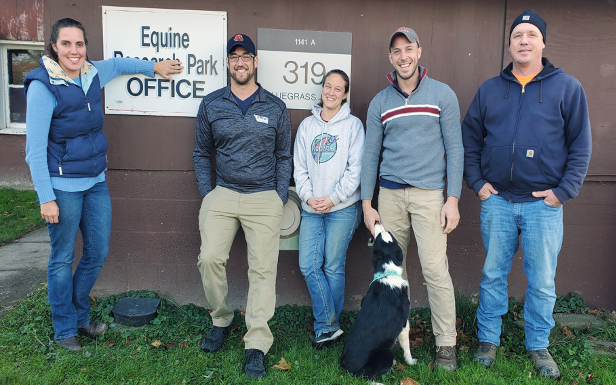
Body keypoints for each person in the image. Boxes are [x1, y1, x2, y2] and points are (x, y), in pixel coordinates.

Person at [23, 18, 182, 352]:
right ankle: (65, 326)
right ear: (54, 46)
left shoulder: (91, 72)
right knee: (63, 257)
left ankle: (80, 316)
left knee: (97, 252)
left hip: (95, 181)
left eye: (79, 44)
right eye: (66, 44)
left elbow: (121, 64)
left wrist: (154, 67)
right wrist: (45, 197)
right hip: (62, 185)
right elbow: (34, 150)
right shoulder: (43, 86)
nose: (74, 51)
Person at [462, 10, 591, 379]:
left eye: (531, 34)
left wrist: (562, 192)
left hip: (543, 206)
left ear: (542, 42)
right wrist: (477, 182)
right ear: (510, 43)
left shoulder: (567, 88)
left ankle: (538, 344)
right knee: (492, 274)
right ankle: (488, 339)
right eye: (518, 34)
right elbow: (470, 138)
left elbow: (581, 144)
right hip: (498, 201)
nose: (524, 40)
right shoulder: (490, 89)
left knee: (542, 280)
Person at [361, 27, 464, 372]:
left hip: (430, 196)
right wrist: (366, 202)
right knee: (391, 274)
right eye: (396, 51)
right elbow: (370, 154)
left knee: (435, 270)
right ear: (390, 58)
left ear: (419, 52)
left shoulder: (442, 95)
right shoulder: (380, 102)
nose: (403, 56)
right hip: (389, 196)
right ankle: (389, 340)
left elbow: (455, 149)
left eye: (409, 49)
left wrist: (452, 198)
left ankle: (446, 345)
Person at [193, 33, 291, 380]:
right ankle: (221, 318)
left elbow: (283, 155)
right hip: (223, 192)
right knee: (209, 259)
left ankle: (257, 343)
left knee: (262, 269)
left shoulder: (275, 106)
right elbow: (202, 153)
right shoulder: (212, 104)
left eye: (245, 56)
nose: (240, 62)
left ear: (255, 62)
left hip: (264, 195)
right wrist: (208, 193)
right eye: (234, 57)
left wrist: (279, 194)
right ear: (227, 64)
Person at [293, 69, 364, 349]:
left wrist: (333, 198)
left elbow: (355, 170)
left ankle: (324, 327)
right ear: (322, 90)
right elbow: (298, 168)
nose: (331, 92)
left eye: (338, 88)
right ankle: (330, 325)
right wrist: (309, 197)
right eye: (327, 86)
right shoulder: (307, 127)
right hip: (311, 207)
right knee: (308, 265)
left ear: (345, 94)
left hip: (342, 207)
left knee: (333, 267)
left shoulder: (353, 126)